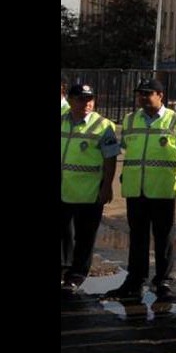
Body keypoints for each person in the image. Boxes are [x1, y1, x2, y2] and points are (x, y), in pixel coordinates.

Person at [106, 79, 176, 303]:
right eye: (140, 94)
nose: (143, 98)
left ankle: (163, 281)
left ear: (160, 95)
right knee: (137, 236)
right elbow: (127, 148)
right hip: (136, 188)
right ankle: (135, 280)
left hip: (163, 188)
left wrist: (169, 173)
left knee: (164, 237)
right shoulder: (130, 120)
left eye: (148, 93)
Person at [60, 83, 118, 295]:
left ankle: (77, 274)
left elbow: (110, 159)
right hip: (64, 189)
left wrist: (107, 186)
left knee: (85, 236)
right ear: (71, 100)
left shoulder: (102, 126)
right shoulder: (62, 121)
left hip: (89, 191)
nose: (87, 104)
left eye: (90, 99)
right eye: (82, 99)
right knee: (64, 233)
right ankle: (64, 268)